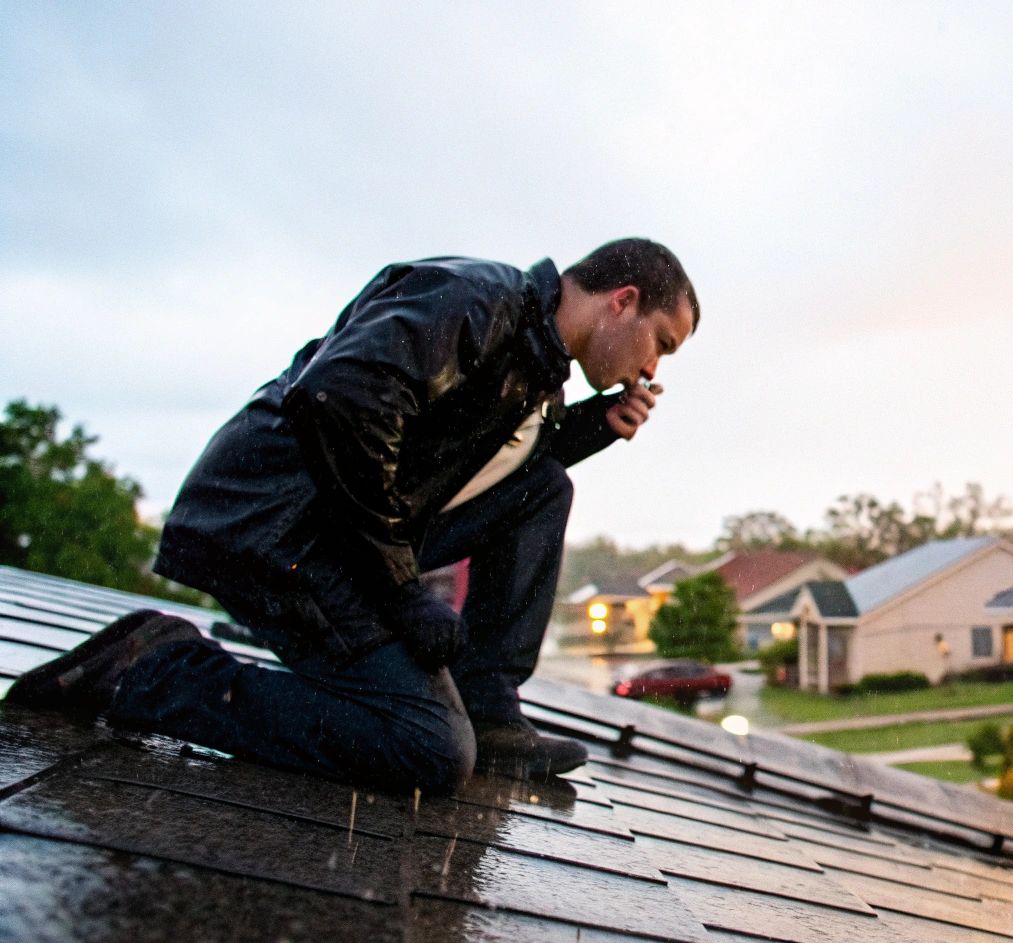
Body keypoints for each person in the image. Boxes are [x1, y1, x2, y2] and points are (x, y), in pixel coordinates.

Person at [6, 239, 699, 794]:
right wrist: (399, 593)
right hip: (276, 527)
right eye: (662, 342)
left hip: (338, 536)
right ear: (623, 302)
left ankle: (488, 706)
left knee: (544, 484)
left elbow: (463, 473)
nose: (653, 365)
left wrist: (586, 430)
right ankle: (153, 672)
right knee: (424, 747)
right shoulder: (480, 297)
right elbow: (341, 400)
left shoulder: (538, 375)